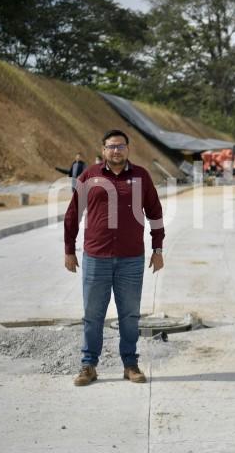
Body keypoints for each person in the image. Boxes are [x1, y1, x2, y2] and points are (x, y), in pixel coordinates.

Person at [64, 129, 165, 387]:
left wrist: (158, 249)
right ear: (103, 149)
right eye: (111, 147)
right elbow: (73, 214)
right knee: (92, 314)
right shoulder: (90, 176)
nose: (116, 151)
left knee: (129, 315)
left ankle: (130, 364)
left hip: (131, 259)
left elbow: (155, 212)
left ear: (128, 149)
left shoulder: (141, 176)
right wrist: (69, 250)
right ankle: (88, 366)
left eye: (121, 146)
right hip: (96, 258)